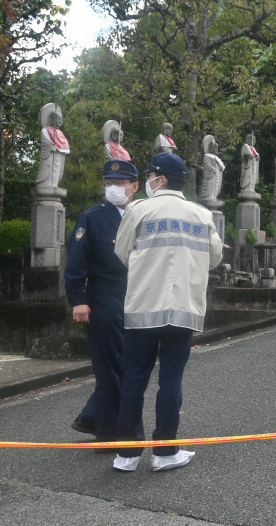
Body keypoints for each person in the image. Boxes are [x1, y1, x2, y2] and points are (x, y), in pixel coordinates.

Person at [112, 152, 223, 472]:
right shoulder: (201, 215)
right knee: (170, 381)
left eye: (148, 176)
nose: (146, 181)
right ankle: (164, 452)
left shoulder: (138, 210)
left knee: (134, 380)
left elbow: (122, 253)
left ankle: (127, 455)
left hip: (142, 310)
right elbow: (214, 258)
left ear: (160, 179)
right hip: (183, 311)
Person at [65, 160, 139, 444]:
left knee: (128, 367)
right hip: (103, 301)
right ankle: (110, 435)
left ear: (133, 187)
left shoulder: (141, 215)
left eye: (119, 184)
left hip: (135, 301)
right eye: (108, 183)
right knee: (110, 368)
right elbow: (76, 263)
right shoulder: (93, 217)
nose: (112, 188)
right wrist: (78, 299)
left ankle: (91, 418)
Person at [36, 103, 69, 198]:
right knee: (49, 168)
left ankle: (55, 184)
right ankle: (46, 184)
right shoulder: (45, 130)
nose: (59, 121)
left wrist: (61, 150)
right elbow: (44, 142)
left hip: (58, 155)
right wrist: (50, 147)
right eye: (56, 119)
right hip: (49, 155)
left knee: (56, 170)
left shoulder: (60, 133)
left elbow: (64, 144)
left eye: (60, 119)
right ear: (51, 119)